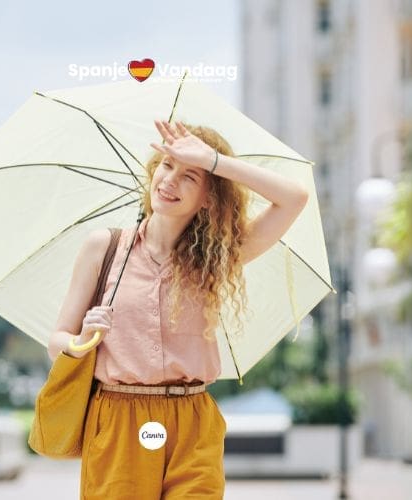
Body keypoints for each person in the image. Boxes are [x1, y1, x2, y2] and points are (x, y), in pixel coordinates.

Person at [47, 119, 309, 499]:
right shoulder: (103, 248)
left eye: (189, 176)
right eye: (167, 166)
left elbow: (295, 198)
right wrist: (82, 340)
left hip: (192, 421)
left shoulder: (215, 259)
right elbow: (56, 342)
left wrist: (214, 160)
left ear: (209, 197)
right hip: (121, 419)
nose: (170, 180)